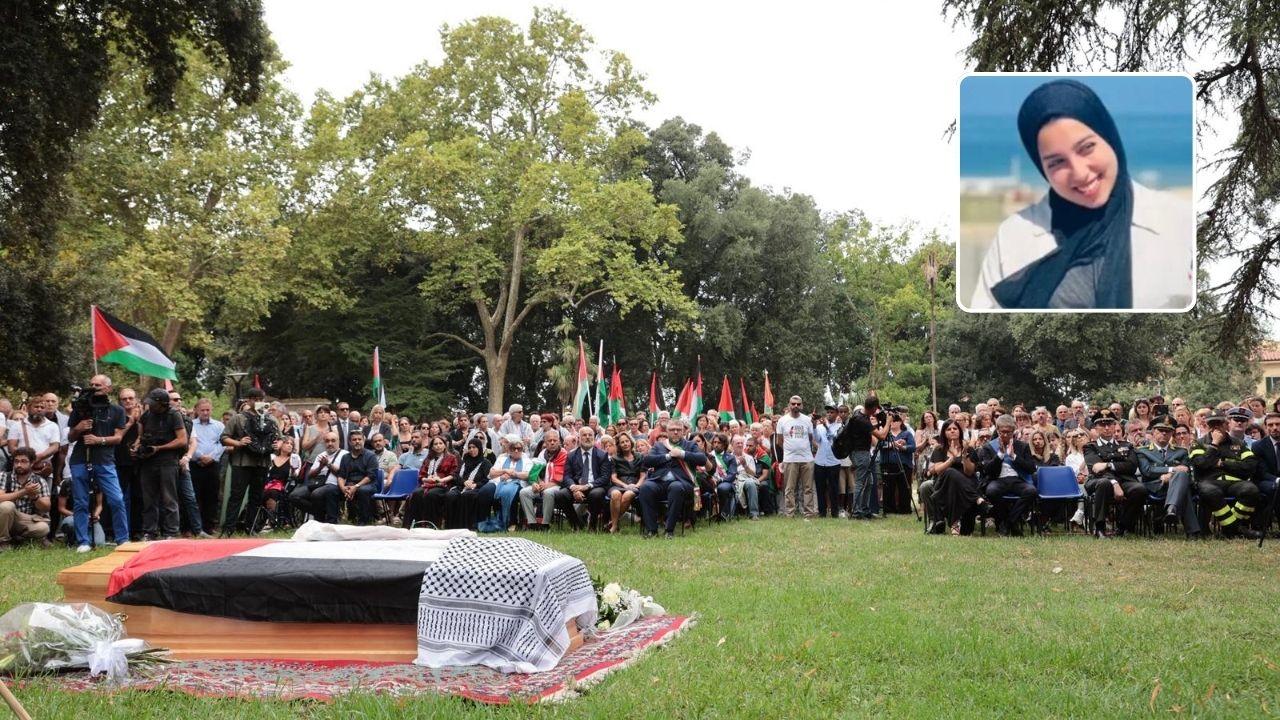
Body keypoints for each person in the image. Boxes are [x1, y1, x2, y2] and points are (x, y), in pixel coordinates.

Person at [968, 79, 1193, 310]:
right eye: (1057, 162)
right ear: (1041, 168)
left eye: (1086, 148)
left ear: (1108, 137)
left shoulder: (1178, 221)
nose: (1080, 173)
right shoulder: (1014, 236)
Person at [64, 375, 130, 551]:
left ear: (108, 388)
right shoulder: (80, 409)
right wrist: (79, 428)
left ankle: (122, 540)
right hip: (80, 459)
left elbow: (118, 438)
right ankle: (83, 541)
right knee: (81, 501)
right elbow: (70, 437)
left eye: (98, 385)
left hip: (105, 460)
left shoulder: (117, 410)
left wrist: (98, 440)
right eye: (91, 384)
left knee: (116, 499)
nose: (94, 388)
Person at [1190, 410, 1261, 539]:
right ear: (1207, 426)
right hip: (1209, 482)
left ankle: (1230, 528)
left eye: (1219, 423)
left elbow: (1250, 465)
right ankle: (1236, 529)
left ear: (1226, 424)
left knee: (1251, 490)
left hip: (1235, 482)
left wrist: (1223, 464)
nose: (1216, 426)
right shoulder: (1198, 443)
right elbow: (1201, 464)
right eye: (1212, 424)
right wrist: (1214, 444)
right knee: (1210, 491)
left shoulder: (1238, 443)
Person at [220, 388, 280, 535]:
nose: (257, 402)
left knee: (256, 496)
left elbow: (280, 439)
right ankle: (229, 528)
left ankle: (250, 528)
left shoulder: (271, 419)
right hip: (242, 462)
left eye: (260, 399)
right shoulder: (238, 418)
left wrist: (277, 445)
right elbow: (223, 438)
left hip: (262, 462)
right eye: (254, 399)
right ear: (249, 400)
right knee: (236, 496)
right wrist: (238, 442)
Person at [133, 388, 189, 540]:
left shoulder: (174, 415)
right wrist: (136, 447)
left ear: (163, 403)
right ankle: (149, 532)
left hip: (167, 461)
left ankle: (171, 532)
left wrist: (159, 448)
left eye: (153, 403)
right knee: (148, 499)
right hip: (148, 462)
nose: (150, 406)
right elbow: (140, 436)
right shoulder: (146, 416)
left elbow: (182, 440)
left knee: (169, 498)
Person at [1083, 409, 1148, 538]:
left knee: (1140, 489)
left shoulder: (1127, 445)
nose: (1107, 428)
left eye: (1110, 424)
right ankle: (1100, 528)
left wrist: (1107, 464)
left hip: (1125, 480)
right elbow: (1095, 468)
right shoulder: (1090, 447)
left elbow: (1131, 466)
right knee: (1104, 483)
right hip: (1098, 481)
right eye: (1102, 425)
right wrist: (1114, 482)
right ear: (1096, 427)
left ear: (1115, 426)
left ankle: (1123, 526)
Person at [636, 418, 705, 538]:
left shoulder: (690, 445)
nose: (676, 432)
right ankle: (651, 530)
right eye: (672, 430)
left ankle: (669, 530)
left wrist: (682, 454)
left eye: (678, 430)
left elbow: (702, 459)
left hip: (682, 483)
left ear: (683, 431)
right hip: (659, 481)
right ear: (667, 431)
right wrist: (668, 456)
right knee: (646, 487)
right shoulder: (659, 446)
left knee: (676, 487)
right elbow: (648, 461)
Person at [1135, 414, 1201, 538]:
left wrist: (1171, 476)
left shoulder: (1181, 452)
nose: (1164, 434)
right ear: (1153, 432)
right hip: (1156, 486)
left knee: (1182, 477)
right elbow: (1147, 471)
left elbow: (1186, 470)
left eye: (1168, 431)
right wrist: (1173, 469)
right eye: (1161, 430)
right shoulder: (1142, 451)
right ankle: (1191, 530)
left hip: (1176, 486)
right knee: (1182, 481)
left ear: (1172, 434)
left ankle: (1172, 509)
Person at [977, 414, 1040, 535]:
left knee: (1031, 491)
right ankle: (1009, 521)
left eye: (1008, 432)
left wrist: (1014, 456)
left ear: (1014, 431)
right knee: (991, 491)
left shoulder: (1022, 446)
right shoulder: (988, 447)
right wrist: (1000, 455)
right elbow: (987, 470)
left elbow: (1031, 468)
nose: (1005, 435)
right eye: (1002, 432)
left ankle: (1009, 522)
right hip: (998, 480)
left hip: (1017, 480)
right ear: (997, 430)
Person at [921, 420, 983, 535]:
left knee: (966, 532)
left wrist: (964, 457)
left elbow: (969, 472)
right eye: (948, 429)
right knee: (946, 474)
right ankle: (937, 521)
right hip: (943, 484)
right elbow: (938, 470)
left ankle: (956, 522)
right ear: (944, 433)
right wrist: (952, 459)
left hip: (965, 485)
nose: (952, 431)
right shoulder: (940, 449)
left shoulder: (968, 449)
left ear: (960, 431)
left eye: (955, 428)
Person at [835, 396, 890, 519]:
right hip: (860, 453)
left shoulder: (859, 416)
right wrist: (889, 421)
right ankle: (857, 512)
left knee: (869, 481)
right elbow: (881, 436)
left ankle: (865, 509)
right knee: (861, 482)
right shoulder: (862, 420)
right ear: (874, 407)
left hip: (860, 453)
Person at [0, 447, 52, 550]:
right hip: (6, 517)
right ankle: (3, 542)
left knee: (43, 528)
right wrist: (24, 492)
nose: (19, 465)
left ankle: (19, 539)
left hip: (25, 520)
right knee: (7, 506)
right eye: (16, 461)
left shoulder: (39, 481)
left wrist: (35, 497)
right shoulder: (4, 476)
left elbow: (46, 507)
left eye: (23, 461)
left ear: (32, 463)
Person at [775, 396, 818, 519]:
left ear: (802, 405)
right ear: (789, 405)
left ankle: (809, 513)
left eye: (798, 404)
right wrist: (790, 450)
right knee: (789, 488)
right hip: (790, 459)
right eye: (793, 404)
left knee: (808, 488)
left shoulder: (807, 420)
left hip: (807, 458)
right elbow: (779, 441)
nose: (796, 406)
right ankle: (790, 513)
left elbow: (810, 438)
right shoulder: (782, 421)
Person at [290, 432, 347, 522]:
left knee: (316, 494)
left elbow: (343, 474)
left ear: (338, 442)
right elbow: (310, 474)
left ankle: (321, 518)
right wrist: (320, 466)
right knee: (294, 496)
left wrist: (328, 464)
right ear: (324, 443)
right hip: (318, 483)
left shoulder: (345, 454)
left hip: (334, 484)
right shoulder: (321, 455)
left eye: (333, 441)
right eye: (327, 441)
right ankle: (321, 514)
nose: (330, 443)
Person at [520, 429, 570, 530]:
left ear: (559, 441)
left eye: (555, 440)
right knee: (524, 492)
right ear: (545, 442)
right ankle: (532, 523)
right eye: (549, 440)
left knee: (548, 492)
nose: (552, 442)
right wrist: (535, 482)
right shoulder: (542, 453)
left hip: (557, 486)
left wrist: (547, 485)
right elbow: (535, 472)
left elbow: (562, 476)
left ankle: (545, 524)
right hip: (542, 484)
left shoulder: (564, 454)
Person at [189, 398, 226, 535]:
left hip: (212, 465)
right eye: (202, 410)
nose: (205, 412)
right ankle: (195, 527)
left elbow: (222, 443)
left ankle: (209, 526)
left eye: (208, 410)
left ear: (211, 410)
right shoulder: (191, 425)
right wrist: (199, 456)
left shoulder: (219, 426)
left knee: (212, 496)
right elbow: (190, 443)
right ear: (197, 410)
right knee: (195, 496)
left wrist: (211, 457)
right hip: (195, 464)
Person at [481, 435, 533, 532]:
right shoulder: (502, 458)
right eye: (514, 448)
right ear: (509, 450)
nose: (516, 451)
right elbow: (491, 473)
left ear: (522, 450)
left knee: (508, 491)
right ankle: (484, 521)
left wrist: (514, 474)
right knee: (485, 491)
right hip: (499, 481)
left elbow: (527, 475)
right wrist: (505, 471)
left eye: (519, 449)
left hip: (518, 483)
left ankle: (510, 522)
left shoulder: (526, 460)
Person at [405, 436, 457, 529]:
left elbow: (453, 474)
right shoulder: (429, 458)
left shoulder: (451, 458)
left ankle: (432, 525)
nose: (438, 446)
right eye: (435, 444)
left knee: (431, 495)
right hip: (428, 484)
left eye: (440, 443)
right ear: (432, 447)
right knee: (416, 493)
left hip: (443, 485)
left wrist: (440, 480)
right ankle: (416, 525)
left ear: (445, 445)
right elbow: (421, 475)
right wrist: (427, 479)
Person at [567, 425, 611, 530]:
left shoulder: (602, 455)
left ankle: (592, 524)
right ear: (579, 438)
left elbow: (605, 477)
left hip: (595, 486)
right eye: (584, 435)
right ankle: (576, 523)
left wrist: (587, 486)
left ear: (594, 437)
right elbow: (567, 475)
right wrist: (573, 488)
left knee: (596, 494)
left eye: (590, 435)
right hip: (577, 486)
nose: (587, 437)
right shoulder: (571, 455)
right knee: (561, 495)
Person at [445, 437, 492, 530]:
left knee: (467, 496)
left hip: (476, 488)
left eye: (474, 447)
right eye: (469, 447)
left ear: (479, 448)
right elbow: (456, 475)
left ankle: (466, 526)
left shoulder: (486, 463)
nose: (471, 450)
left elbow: (487, 479)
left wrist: (476, 485)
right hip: (461, 486)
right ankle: (451, 526)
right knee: (450, 495)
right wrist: (464, 482)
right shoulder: (465, 461)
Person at [605, 432, 646, 532]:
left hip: (635, 485)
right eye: (622, 442)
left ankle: (613, 524)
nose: (625, 444)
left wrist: (636, 485)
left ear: (631, 442)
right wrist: (625, 485)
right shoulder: (615, 458)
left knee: (628, 494)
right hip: (619, 484)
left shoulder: (639, 456)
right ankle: (614, 525)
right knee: (615, 494)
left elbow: (643, 476)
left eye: (627, 441)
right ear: (619, 445)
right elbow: (613, 478)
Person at [261, 436, 301, 532]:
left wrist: (294, 469)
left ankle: (270, 522)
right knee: (263, 492)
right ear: (281, 444)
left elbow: (296, 475)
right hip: (269, 484)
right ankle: (261, 520)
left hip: (285, 485)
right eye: (287, 443)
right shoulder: (272, 457)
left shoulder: (294, 457)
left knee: (273, 493)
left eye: (291, 444)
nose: (289, 445)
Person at [879, 412, 916, 514]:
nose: (893, 423)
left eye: (895, 421)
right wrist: (892, 444)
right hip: (887, 464)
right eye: (891, 421)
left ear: (900, 422)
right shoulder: (885, 433)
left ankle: (904, 509)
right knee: (888, 487)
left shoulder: (907, 433)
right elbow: (880, 445)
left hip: (904, 464)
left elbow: (913, 447)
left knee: (904, 487)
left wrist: (902, 447)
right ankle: (889, 509)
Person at [813, 405, 843, 518]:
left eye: (832, 412)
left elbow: (835, 439)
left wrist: (826, 427)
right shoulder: (820, 427)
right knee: (820, 488)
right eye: (828, 412)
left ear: (837, 414)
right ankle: (822, 512)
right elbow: (817, 439)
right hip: (820, 461)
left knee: (833, 489)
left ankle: (835, 512)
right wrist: (814, 426)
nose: (829, 414)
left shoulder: (840, 427)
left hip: (834, 462)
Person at [708, 433, 739, 521]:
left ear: (725, 444)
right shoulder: (709, 456)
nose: (716, 445)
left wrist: (720, 480)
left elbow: (732, 475)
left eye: (719, 442)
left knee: (722, 488)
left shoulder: (730, 457)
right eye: (714, 442)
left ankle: (723, 513)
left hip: (726, 482)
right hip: (710, 481)